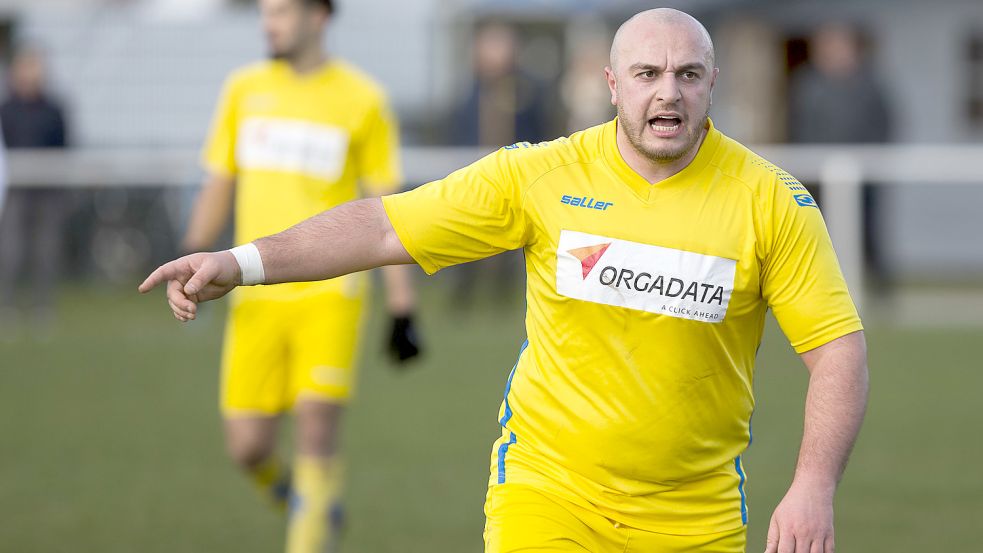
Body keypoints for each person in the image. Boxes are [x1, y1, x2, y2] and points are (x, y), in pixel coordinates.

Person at [142, 8, 868, 553]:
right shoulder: (540, 175)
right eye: (646, 75)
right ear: (612, 84)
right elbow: (383, 225)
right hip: (546, 491)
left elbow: (835, 348)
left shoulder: (772, 200)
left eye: (686, 74)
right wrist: (238, 263)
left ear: (714, 81)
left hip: (695, 513)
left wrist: (812, 486)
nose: (666, 95)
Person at [179, 1, 420, 551]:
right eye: (266, 11)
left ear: (319, 16)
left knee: (316, 427)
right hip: (253, 293)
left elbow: (386, 209)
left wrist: (402, 308)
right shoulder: (243, 90)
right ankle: (305, 506)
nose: (270, 21)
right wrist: (193, 252)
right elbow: (220, 179)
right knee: (247, 447)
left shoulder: (363, 99)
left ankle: (307, 536)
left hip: (331, 294)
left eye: (283, 10)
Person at [788, 21, 894, 285]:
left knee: (867, 231)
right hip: (820, 175)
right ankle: (824, 284)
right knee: (820, 230)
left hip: (864, 174)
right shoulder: (808, 85)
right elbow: (799, 125)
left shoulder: (869, 84)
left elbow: (883, 123)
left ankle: (877, 286)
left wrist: (871, 159)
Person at [0, 46, 70, 340]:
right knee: (10, 250)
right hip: (14, 189)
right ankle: (7, 306)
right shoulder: (6, 110)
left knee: (46, 250)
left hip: (47, 190)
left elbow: (64, 146)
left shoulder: (53, 109)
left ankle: (43, 307)